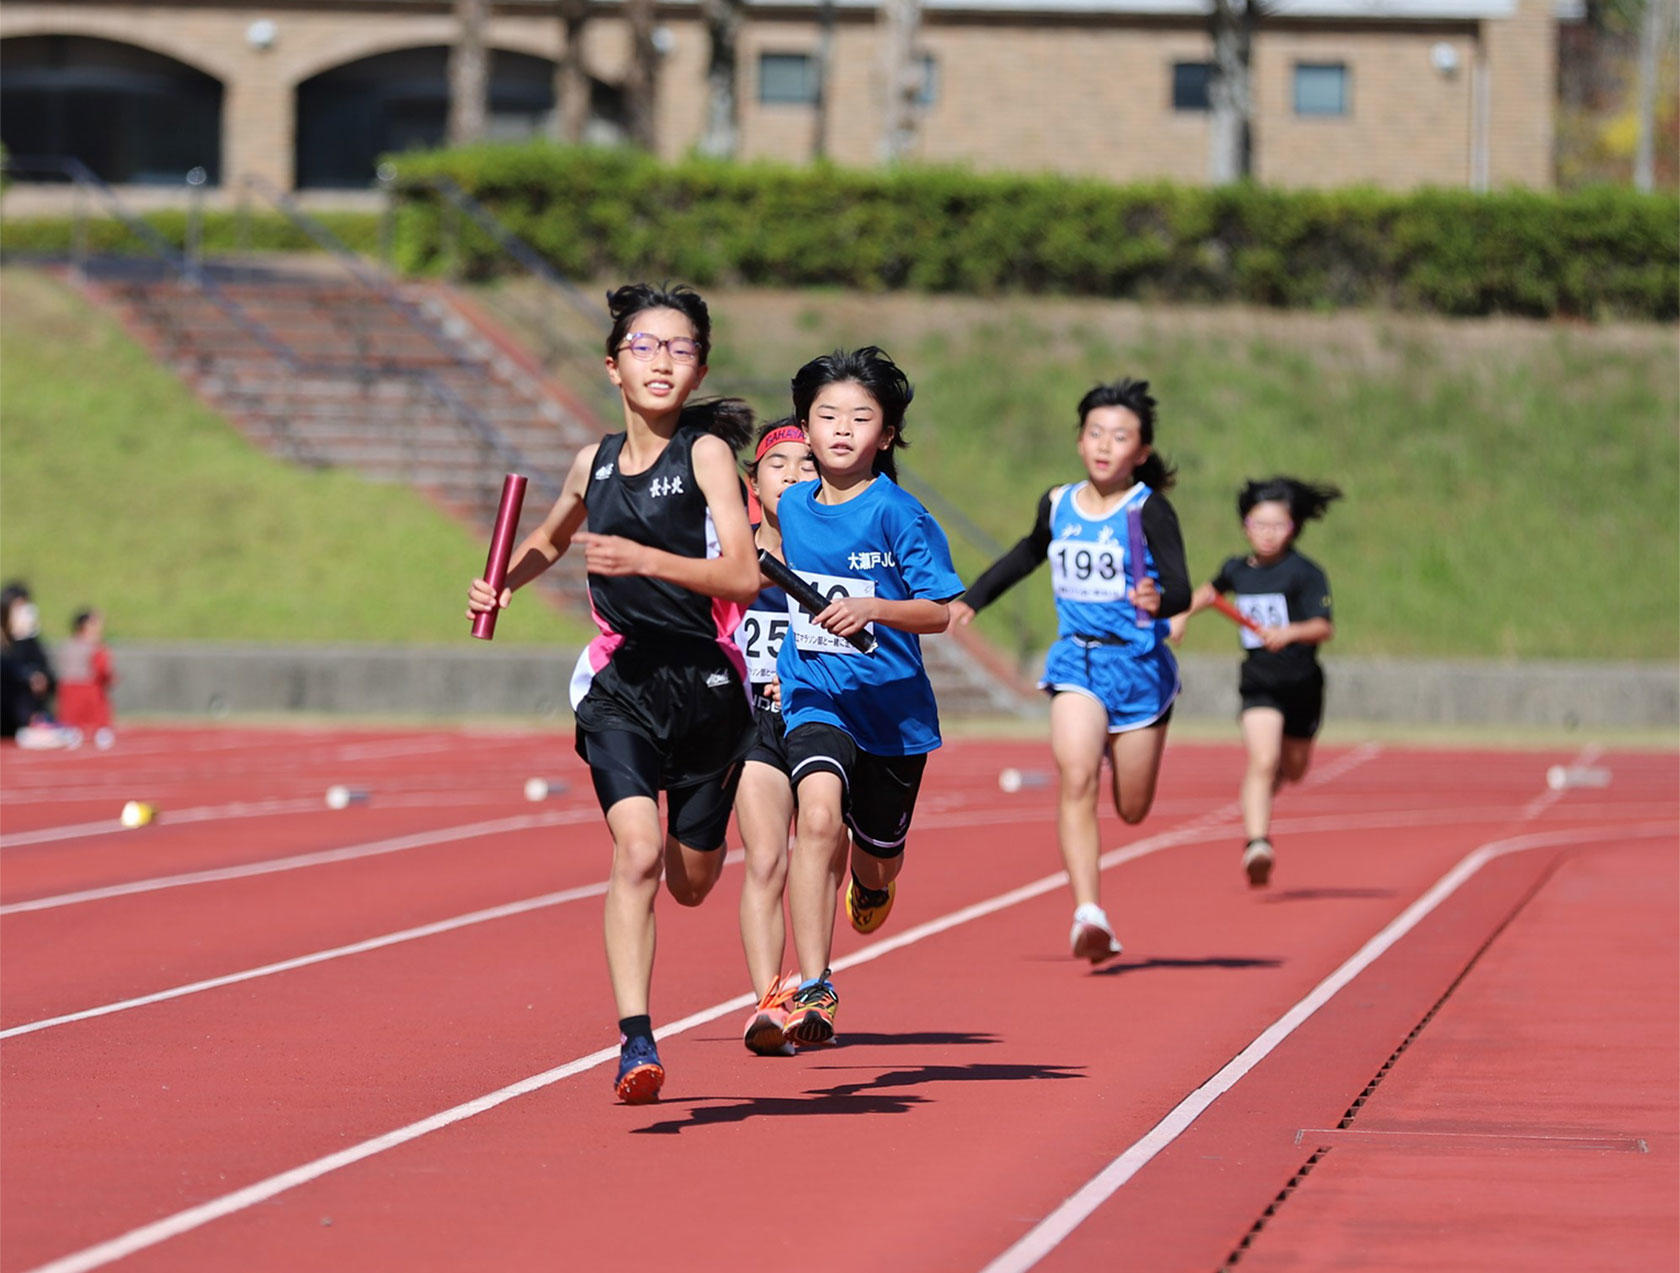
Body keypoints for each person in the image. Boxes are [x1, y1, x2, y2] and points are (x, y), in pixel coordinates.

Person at [466, 283, 760, 1104]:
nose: (662, 360)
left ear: (698, 371)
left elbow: (740, 573)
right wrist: (506, 584)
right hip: (619, 683)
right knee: (633, 853)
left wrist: (647, 561)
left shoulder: (704, 455)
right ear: (613, 367)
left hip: (705, 686)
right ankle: (636, 1041)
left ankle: (694, 837)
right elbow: (550, 536)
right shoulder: (591, 462)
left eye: (680, 348)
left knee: (690, 882)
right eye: (645, 346)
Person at [948, 379, 1189, 965]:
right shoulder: (1057, 504)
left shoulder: (1148, 509)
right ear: (1081, 441)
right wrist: (972, 599)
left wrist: (1160, 598)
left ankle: (1118, 744)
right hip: (1077, 660)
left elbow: (1180, 586)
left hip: (1138, 669)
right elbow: (1028, 552)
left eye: (1121, 437)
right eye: (1096, 433)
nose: (1106, 445)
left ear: (1142, 451)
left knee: (1131, 808)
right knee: (1076, 777)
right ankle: (1089, 912)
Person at [774, 347, 965, 1048]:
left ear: (886, 434)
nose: (843, 429)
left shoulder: (898, 512)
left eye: (861, 417)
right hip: (813, 693)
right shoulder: (791, 504)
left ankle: (875, 879)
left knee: (876, 854)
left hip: (891, 712)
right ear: (805, 427)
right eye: (827, 416)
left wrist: (875, 608)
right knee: (816, 816)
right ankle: (815, 983)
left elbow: (941, 609)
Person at [1170, 477, 1339, 887]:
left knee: (1293, 769)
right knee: (1261, 760)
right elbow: (1208, 594)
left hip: (1301, 684)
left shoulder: (1305, 573)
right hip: (1259, 682)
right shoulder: (1235, 569)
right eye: (1259, 524)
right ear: (1246, 526)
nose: (1267, 534)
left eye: (1277, 525)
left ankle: (1268, 787)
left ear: (1293, 528)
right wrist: (1179, 616)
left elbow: (1323, 626)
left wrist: (1290, 633)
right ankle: (1257, 844)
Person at [733, 418, 818, 1056]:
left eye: (806, 465)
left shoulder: (835, 553)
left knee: (826, 853)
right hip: (752, 725)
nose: (793, 474)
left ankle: (816, 986)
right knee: (765, 859)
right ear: (753, 483)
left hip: (827, 716)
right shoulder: (728, 557)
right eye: (779, 464)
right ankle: (768, 1001)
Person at [1, 581, 60, 741]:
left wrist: (41, 678)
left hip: (28, 721)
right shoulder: (4, 644)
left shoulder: (31, 643)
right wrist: (27, 676)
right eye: (18, 608)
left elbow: (49, 674)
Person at [57, 608, 118, 747]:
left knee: (71, 717)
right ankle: (100, 733)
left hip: (68, 687)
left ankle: (72, 733)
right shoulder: (97, 646)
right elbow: (101, 668)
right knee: (98, 714)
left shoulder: (67, 645)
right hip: (88, 686)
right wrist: (109, 677)